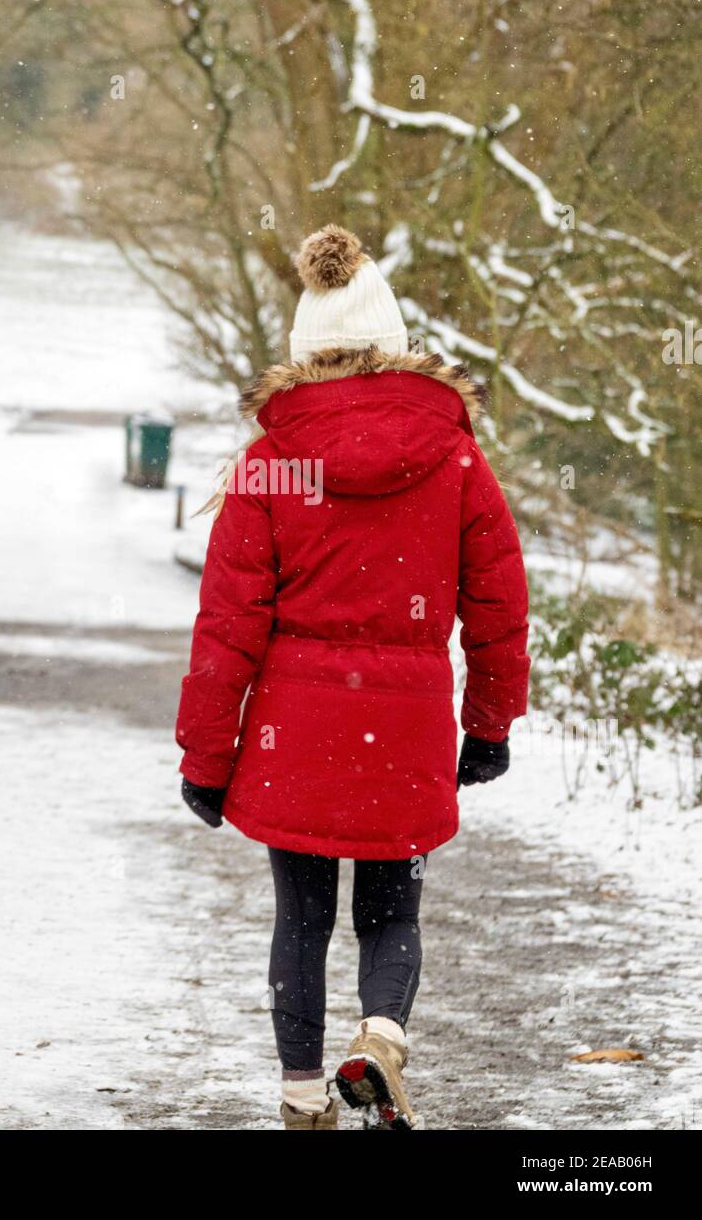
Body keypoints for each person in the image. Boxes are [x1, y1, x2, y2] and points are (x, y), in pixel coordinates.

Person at [176, 225, 530, 1130]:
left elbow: (228, 625)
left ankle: (302, 1101)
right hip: (405, 726)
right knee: (389, 908)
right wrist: (488, 723)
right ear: (396, 344)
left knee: (300, 916)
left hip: (295, 730)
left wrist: (207, 757)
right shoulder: (454, 457)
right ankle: (378, 1042)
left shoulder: (273, 463)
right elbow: (497, 605)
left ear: (303, 354)